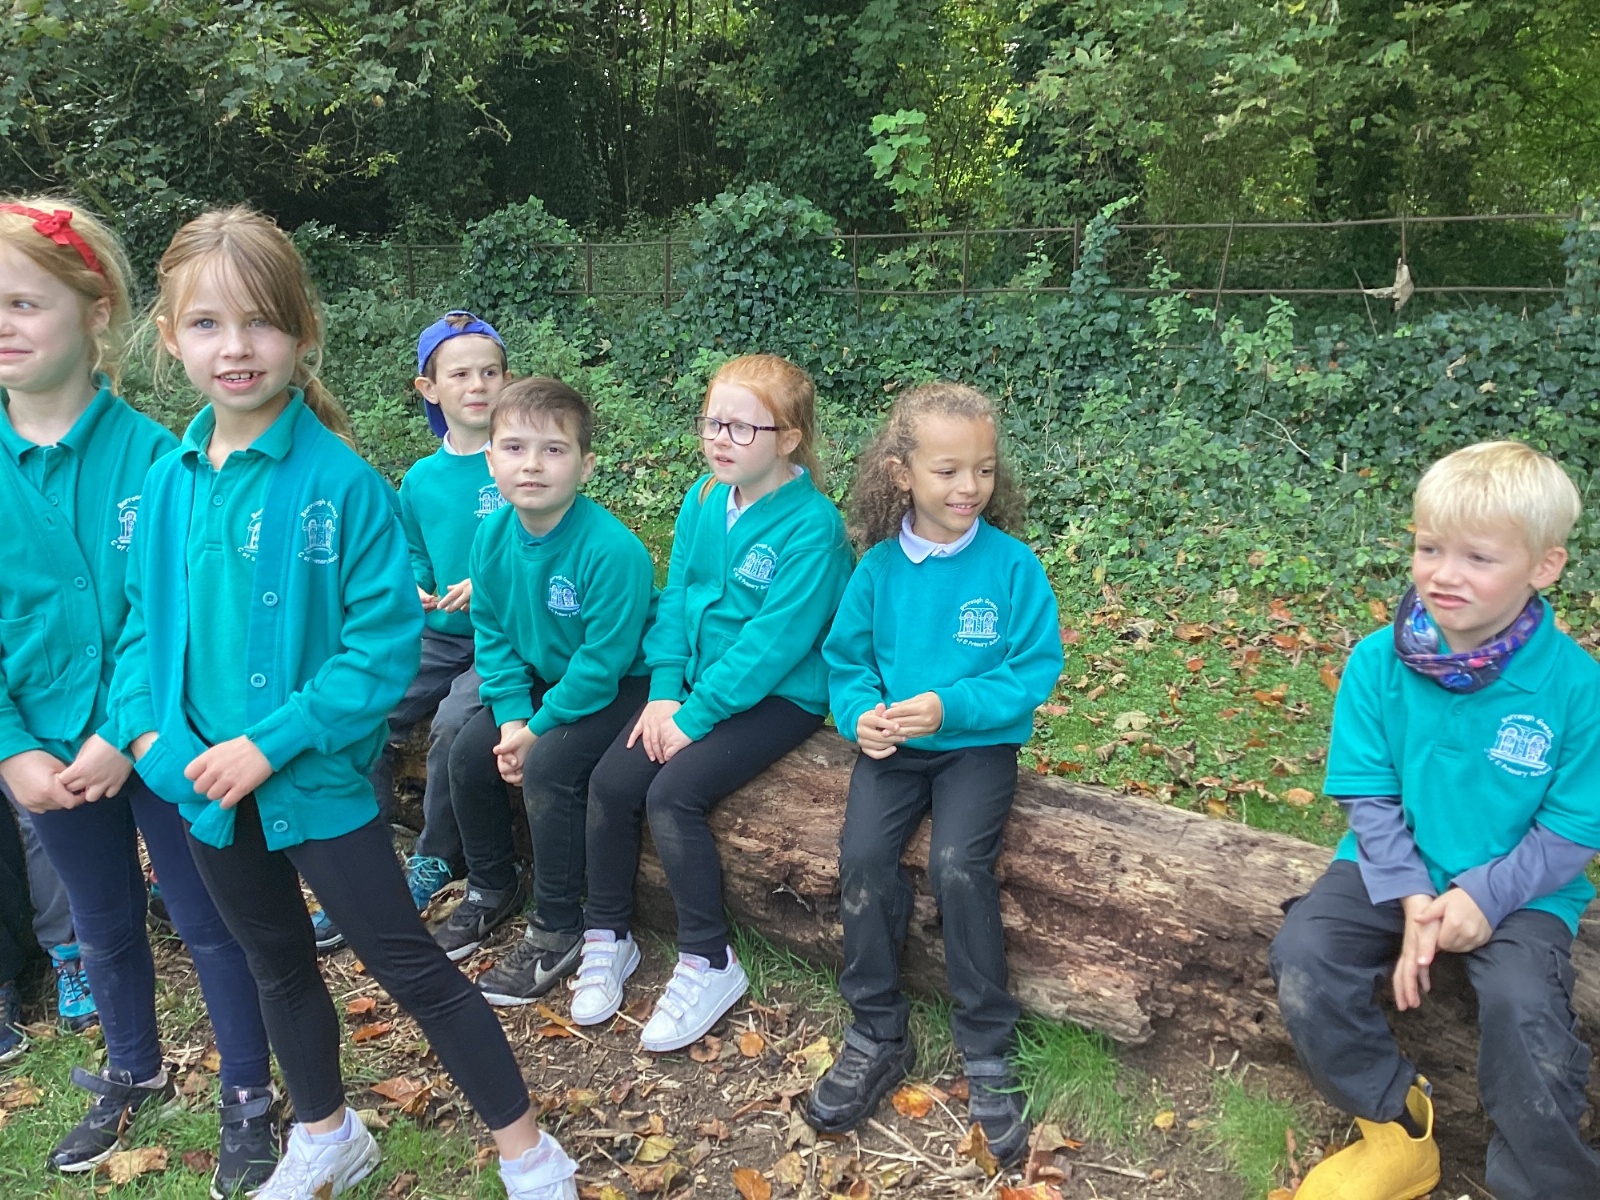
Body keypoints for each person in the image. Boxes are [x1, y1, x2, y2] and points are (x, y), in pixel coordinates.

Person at [112, 206, 580, 1200]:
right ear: (169, 337)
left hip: (316, 788)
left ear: (302, 331)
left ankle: (530, 1153)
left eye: (260, 322)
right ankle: (326, 1133)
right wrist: (153, 741)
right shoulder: (166, 483)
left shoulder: (345, 485)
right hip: (205, 791)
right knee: (276, 964)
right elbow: (141, 631)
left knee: (412, 969)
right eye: (207, 324)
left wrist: (270, 743)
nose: (235, 347)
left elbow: (381, 649)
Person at [0, 197, 277, 1192]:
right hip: (42, 754)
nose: (3, 325)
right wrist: (11, 748)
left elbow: (169, 615)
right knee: (100, 923)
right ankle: (131, 1068)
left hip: (162, 740)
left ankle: (249, 1090)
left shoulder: (162, 460)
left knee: (209, 922)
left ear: (96, 311)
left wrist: (124, 731)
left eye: (23, 302)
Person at [1269, 441, 1600, 1200]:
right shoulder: (1377, 662)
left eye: (1478, 558)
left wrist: (1485, 896)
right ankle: (1395, 1125)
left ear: (1544, 566)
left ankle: (1545, 1182)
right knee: (1305, 956)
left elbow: (1575, 828)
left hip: (1524, 887)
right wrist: (1414, 893)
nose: (1445, 574)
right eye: (1429, 549)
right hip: (1389, 860)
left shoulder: (1578, 688)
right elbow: (1368, 794)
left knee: (1525, 1010)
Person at [804, 383, 1062, 1165]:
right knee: (864, 859)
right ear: (901, 474)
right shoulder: (879, 569)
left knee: (957, 864)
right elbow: (847, 663)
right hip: (893, 749)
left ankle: (986, 1043)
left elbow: (1033, 671)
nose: (968, 487)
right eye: (948, 471)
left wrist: (950, 705)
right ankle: (877, 1030)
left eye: (983, 469)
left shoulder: (1012, 566)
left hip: (978, 747)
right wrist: (860, 715)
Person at [578, 354, 854, 1051]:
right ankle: (608, 934)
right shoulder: (704, 498)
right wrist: (665, 691)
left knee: (674, 794)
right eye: (713, 423)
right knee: (611, 782)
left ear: (789, 438)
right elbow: (675, 597)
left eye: (742, 427)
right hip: (694, 686)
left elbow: (773, 645)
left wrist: (693, 718)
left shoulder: (812, 528)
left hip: (779, 696)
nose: (721, 439)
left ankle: (709, 959)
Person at [440, 378, 654, 1003]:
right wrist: (512, 719)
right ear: (490, 460)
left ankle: (559, 925)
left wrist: (537, 731)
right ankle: (491, 884)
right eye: (514, 448)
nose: (531, 464)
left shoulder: (612, 550)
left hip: (621, 683)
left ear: (585, 465)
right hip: (547, 676)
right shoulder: (491, 537)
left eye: (553, 450)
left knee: (551, 767)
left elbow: (602, 663)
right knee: (467, 751)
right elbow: (493, 636)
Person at [367, 310, 509, 921]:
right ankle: (365, 854)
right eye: (461, 375)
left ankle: (435, 856)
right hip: (440, 636)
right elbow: (416, 553)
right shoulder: (422, 479)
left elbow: (551, 544)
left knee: (453, 723)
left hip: (508, 638)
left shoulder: (520, 459)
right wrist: (416, 587)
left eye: (490, 372)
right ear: (429, 389)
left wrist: (490, 582)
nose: (478, 386)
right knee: (368, 707)